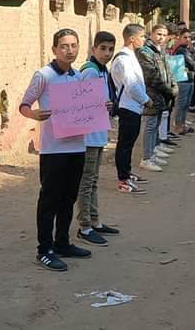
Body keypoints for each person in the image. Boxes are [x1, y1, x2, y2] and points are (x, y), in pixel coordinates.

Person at [20, 28, 91, 272]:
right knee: (50, 199)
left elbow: (85, 106)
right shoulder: (44, 75)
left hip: (77, 146)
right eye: (64, 46)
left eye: (74, 45)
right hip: (54, 150)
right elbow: (24, 104)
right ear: (54, 49)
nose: (69, 50)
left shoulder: (78, 76)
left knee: (69, 198)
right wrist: (34, 114)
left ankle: (62, 242)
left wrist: (99, 106)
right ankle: (44, 250)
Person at [75, 31, 121, 247]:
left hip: (98, 132)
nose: (107, 53)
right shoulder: (90, 71)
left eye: (111, 49)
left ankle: (95, 221)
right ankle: (85, 226)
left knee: (93, 181)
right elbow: (76, 103)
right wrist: (100, 105)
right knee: (86, 183)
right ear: (93, 49)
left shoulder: (102, 71)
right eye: (103, 48)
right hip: (88, 136)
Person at [110, 24, 152, 194]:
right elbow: (132, 85)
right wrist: (146, 100)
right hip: (127, 106)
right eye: (142, 36)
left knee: (129, 142)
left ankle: (127, 173)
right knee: (125, 144)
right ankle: (123, 180)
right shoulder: (123, 59)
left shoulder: (131, 56)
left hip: (134, 106)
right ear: (132, 38)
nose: (144, 40)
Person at [136, 25, 174, 173]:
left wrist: (172, 86)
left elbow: (167, 71)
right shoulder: (145, 51)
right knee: (151, 125)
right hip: (152, 93)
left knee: (157, 123)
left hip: (161, 94)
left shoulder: (159, 50)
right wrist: (168, 89)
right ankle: (146, 158)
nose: (161, 37)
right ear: (151, 34)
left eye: (164, 35)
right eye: (158, 34)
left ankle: (153, 152)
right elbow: (151, 76)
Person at [170, 28, 195, 135]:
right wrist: (193, 63)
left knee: (186, 104)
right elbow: (193, 65)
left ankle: (182, 124)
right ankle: (178, 126)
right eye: (185, 37)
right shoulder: (181, 50)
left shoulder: (187, 49)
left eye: (189, 37)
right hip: (183, 80)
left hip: (189, 79)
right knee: (181, 104)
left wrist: (192, 55)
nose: (187, 39)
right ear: (179, 38)